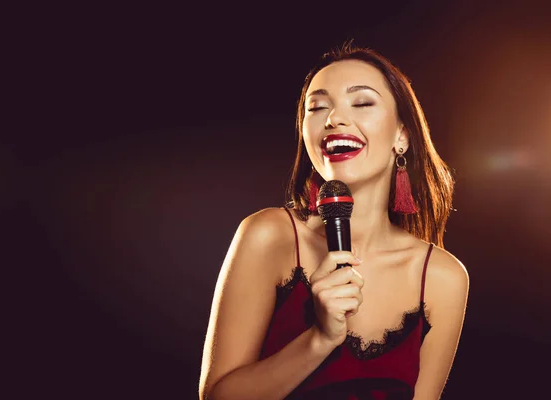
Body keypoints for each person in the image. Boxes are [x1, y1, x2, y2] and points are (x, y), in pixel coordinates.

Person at [199, 43, 469, 400]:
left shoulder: (442, 278)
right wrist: (319, 339)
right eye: (318, 107)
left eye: (361, 103)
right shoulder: (269, 236)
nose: (333, 119)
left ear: (402, 135)